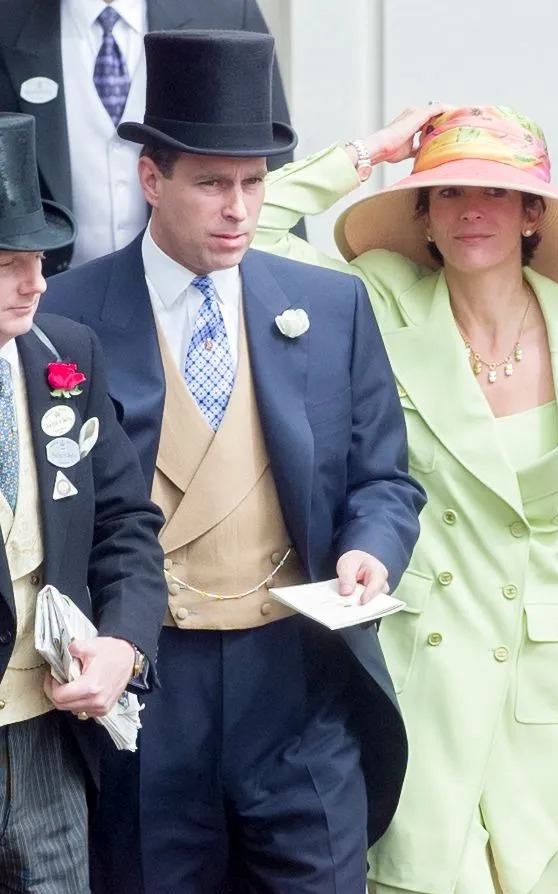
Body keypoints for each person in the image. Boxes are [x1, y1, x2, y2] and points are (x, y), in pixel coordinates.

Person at [253, 104, 558, 894]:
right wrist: (370, 152)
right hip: (418, 660)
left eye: (495, 193)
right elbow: (249, 231)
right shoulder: (377, 300)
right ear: (421, 218)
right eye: (447, 192)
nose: (470, 211)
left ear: (533, 216)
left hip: (544, 673)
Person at [42, 29, 425, 894]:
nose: (238, 209)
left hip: (299, 680)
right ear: (152, 180)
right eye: (212, 183)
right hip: (143, 681)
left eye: (253, 183)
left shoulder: (332, 305)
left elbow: (384, 478)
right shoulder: (67, 315)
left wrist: (373, 546)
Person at [0, 111, 167, 892]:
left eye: (36, 257)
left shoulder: (66, 353)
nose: (34, 281)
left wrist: (123, 644)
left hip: (47, 733)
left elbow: (124, 523)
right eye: (5, 262)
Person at [0, 0, 297, 275]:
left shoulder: (224, 9)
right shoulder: (9, 17)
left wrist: (285, 304)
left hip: (184, 294)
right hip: (43, 298)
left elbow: (270, 164)